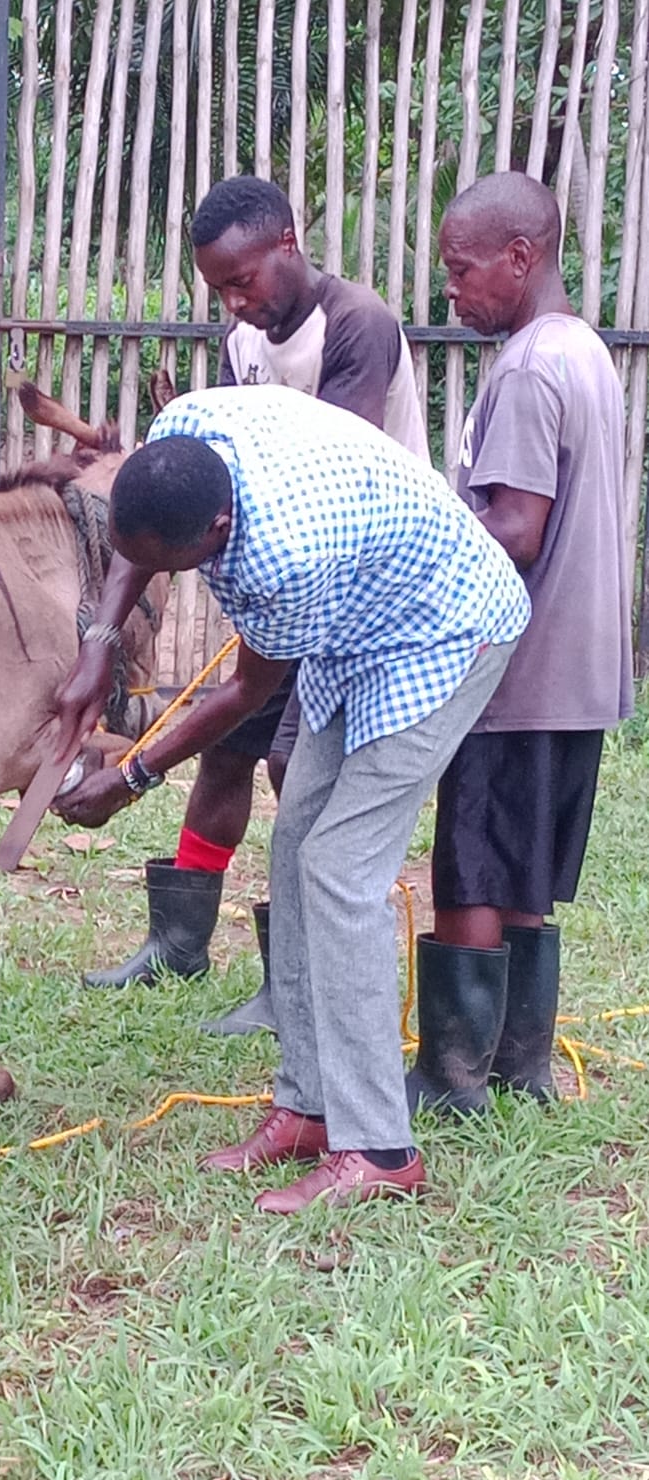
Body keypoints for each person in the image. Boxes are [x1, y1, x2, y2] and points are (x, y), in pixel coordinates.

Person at [52, 384, 529, 1213]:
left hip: (447, 632)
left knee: (341, 870)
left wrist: (130, 779)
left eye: (176, 563)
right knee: (295, 844)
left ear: (216, 535)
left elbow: (241, 696)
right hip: (363, 624)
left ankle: (380, 1148)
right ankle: (309, 1106)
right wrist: (99, 639)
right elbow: (136, 535)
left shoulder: (283, 558)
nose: (158, 574)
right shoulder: (180, 437)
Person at [61, 175, 428, 1046]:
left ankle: (287, 978)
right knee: (229, 749)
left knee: (292, 771)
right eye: (221, 289)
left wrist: (133, 772)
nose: (236, 301)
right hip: (288, 567)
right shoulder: (244, 341)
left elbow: (328, 474)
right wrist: (100, 641)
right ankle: (180, 942)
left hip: (356, 582)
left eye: (246, 281)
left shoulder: (358, 326)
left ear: (289, 244)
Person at [405, 172, 632, 1115]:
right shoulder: (584, 350)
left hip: (519, 672)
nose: (452, 292)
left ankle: (452, 1079)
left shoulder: (532, 367)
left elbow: (517, 527)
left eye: (462, 271)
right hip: (581, 673)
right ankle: (517, 1068)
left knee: (470, 860)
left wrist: (426, 532)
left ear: (520, 258)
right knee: (522, 867)